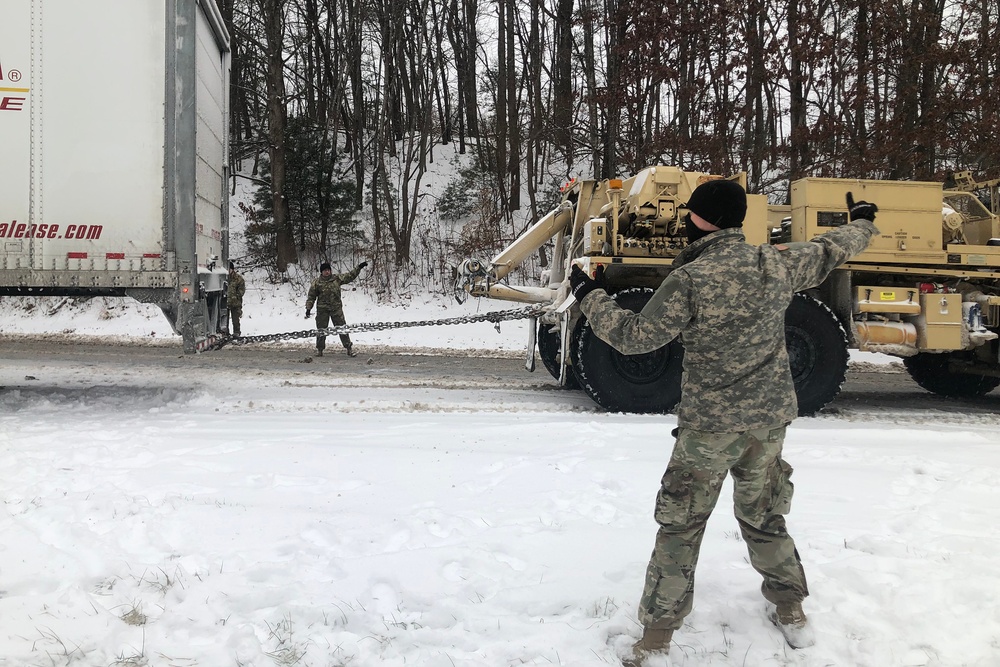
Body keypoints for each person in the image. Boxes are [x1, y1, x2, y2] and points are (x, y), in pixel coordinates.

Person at [569, 181, 879, 666]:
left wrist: (590, 296)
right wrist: (862, 218)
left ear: (698, 219)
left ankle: (655, 641)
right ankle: (792, 612)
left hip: (709, 429)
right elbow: (832, 246)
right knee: (765, 516)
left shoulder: (691, 278)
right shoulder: (775, 264)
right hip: (768, 425)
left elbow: (634, 338)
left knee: (681, 526)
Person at [305, 260, 367, 357]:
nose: (327, 272)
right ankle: (320, 350)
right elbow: (311, 297)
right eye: (325, 270)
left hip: (336, 309)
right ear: (321, 272)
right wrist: (308, 308)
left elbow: (350, 276)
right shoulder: (317, 283)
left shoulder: (336, 279)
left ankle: (349, 348)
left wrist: (359, 267)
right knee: (321, 330)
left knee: (342, 328)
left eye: (328, 270)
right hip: (322, 310)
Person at [226, 260, 246, 337]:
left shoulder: (238, 278)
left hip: (235, 303)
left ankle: (236, 332)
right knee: (224, 319)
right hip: (225, 302)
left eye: (229, 269)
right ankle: (225, 332)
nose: (228, 271)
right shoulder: (224, 278)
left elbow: (242, 289)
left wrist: (236, 296)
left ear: (232, 269)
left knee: (235, 319)